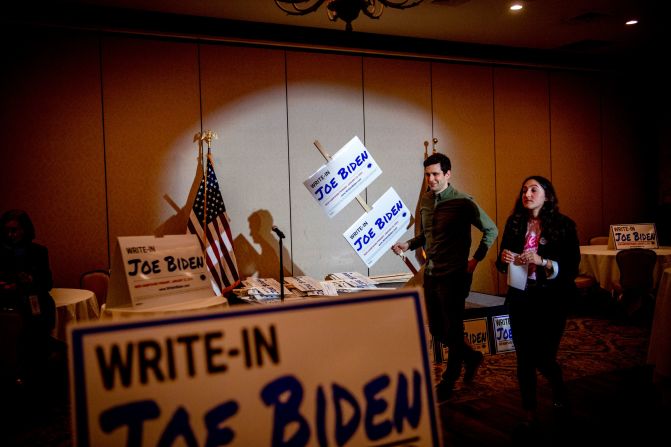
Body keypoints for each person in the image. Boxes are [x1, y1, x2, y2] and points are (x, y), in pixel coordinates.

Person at [392, 152, 498, 401]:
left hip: (454, 276)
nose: (431, 179)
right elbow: (427, 237)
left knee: (453, 329)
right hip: (431, 273)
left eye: (436, 174)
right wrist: (407, 245)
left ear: (448, 174)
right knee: (439, 331)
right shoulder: (427, 202)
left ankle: (449, 380)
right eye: (428, 174)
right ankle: (472, 357)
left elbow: (490, 229)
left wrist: (475, 260)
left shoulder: (463, 202)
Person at [496, 176, 580, 430]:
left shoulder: (564, 225)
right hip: (521, 298)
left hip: (552, 299)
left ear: (547, 195)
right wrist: (504, 257)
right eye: (524, 190)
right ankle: (529, 412)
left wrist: (543, 262)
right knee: (524, 358)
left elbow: (572, 267)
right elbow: (501, 265)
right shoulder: (515, 223)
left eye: (534, 189)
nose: (527, 194)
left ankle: (558, 389)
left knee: (544, 357)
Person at [0, 209, 56, 390]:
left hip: (34, 301)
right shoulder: (1, 252)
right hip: (8, 303)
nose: (10, 235)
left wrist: (31, 280)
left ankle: (36, 370)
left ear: (25, 229)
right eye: (7, 230)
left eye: (14, 230)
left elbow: (48, 283)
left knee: (39, 319)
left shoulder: (39, 252)